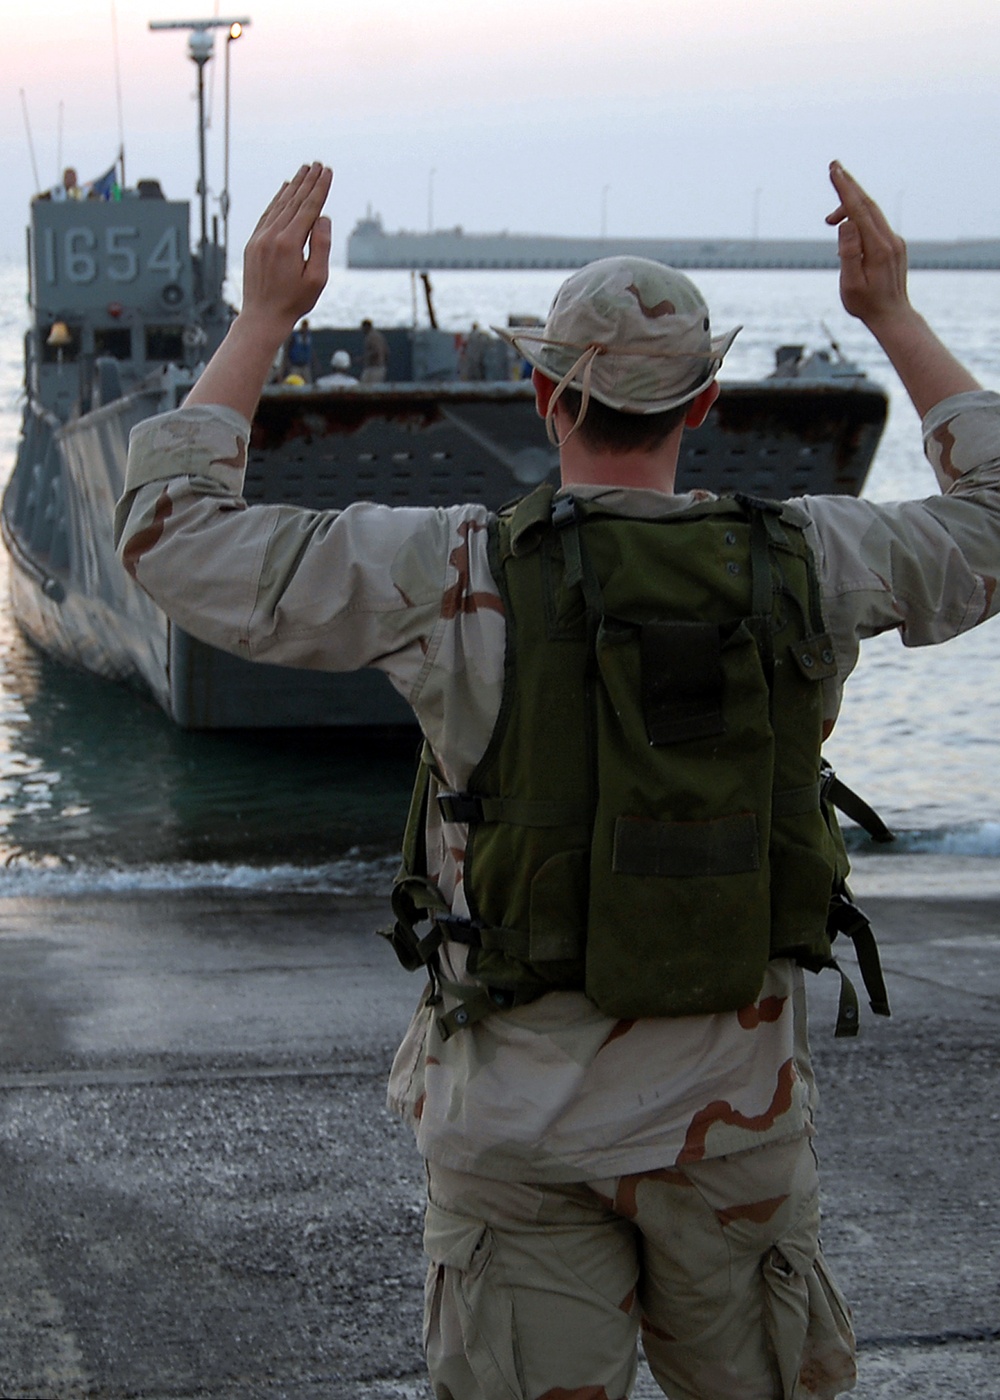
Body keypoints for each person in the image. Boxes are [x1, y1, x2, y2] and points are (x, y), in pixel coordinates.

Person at [114, 161, 1000, 1399]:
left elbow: (170, 532)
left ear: (543, 395)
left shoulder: (452, 567)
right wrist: (894, 316)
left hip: (514, 1128)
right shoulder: (815, 559)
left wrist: (263, 318)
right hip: (734, 1119)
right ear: (702, 405)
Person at [360, 317, 389, 382]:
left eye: (362, 328)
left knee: (365, 388)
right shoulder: (379, 336)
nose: (362, 330)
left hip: (373, 369)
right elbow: (386, 351)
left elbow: (376, 352)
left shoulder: (371, 337)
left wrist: (363, 358)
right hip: (380, 367)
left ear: (366, 327)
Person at [285, 318, 314, 382]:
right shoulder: (295, 336)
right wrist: (287, 362)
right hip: (295, 365)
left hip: (305, 365)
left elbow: (311, 350)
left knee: (308, 382)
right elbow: (288, 348)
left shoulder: (308, 337)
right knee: (293, 381)